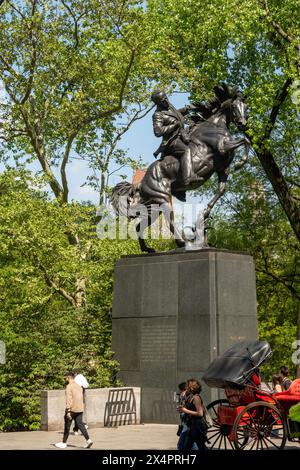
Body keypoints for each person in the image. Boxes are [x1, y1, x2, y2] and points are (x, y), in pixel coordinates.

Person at [151, 89, 193, 187]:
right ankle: (187, 178)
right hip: (171, 141)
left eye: (166, 98)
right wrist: (174, 125)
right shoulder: (158, 114)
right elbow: (158, 132)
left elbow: (176, 114)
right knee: (186, 150)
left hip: (181, 135)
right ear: (158, 103)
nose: (166, 101)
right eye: (163, 100)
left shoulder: (169, 106)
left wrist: (187, 109)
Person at [55, 371, 93, 449]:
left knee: (67, 426)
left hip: (72, 409)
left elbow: (69, 399)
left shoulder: (69, 387)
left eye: (65, 378)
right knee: (80, 424)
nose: (65, 380)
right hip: (80, 408)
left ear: (68, 378)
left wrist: (68, 411)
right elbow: (80, 397)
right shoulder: (79, 386)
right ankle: (88, 440)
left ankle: (64, 443)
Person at [177, 378, 208, 451]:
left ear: (191, 387)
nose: (186, 387)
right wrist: (182, 410)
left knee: (200, 447)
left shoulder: (196, 398)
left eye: (187, 385)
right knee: (185, 447)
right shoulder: (191, 397)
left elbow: (200, 413)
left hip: (198, 427)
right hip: (192, 426)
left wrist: (185, 410)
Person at [176, 381, 198, 451]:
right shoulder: (186, 397)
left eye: (182, 390)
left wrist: (184, 410)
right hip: (187, 423)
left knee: (182, 445)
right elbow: (183, 408)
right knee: (186, 445)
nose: (181, 392)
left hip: (192, 424)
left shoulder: (194, 397)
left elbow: (200, 413)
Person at [73, 369, 89, 435]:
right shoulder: (82, 377)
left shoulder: (77, 378)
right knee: (79, 412)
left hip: (77, 396)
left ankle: (79, 427)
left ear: (76, 373)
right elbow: (87, 385)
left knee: (76, 412)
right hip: (81, 396)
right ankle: (77, 428)